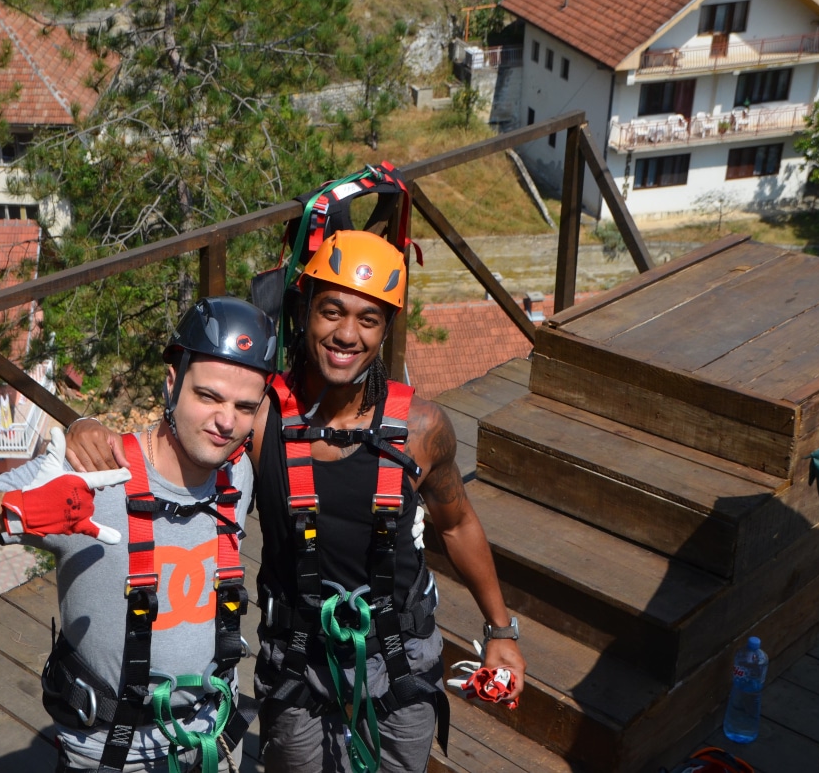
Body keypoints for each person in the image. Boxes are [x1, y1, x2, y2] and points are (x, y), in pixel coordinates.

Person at [67, 231, 526, 773]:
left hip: (400, 656)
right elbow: (180, 443)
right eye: (332, 311)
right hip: (297, 663)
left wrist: (500, 632)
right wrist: (86, 428)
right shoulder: (261, 421)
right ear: (305, 311)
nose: (346, 334)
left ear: (385, 332)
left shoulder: (420, 428)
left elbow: (457, 524)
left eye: (369, 319)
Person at [0, 296, 277, 773]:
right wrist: (15, 509)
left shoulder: (237, 472)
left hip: (213, 739)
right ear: (172, 384)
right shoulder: (93, 478)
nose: (226, 421)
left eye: (244, 407)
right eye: (207, 396)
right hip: (113, 753)